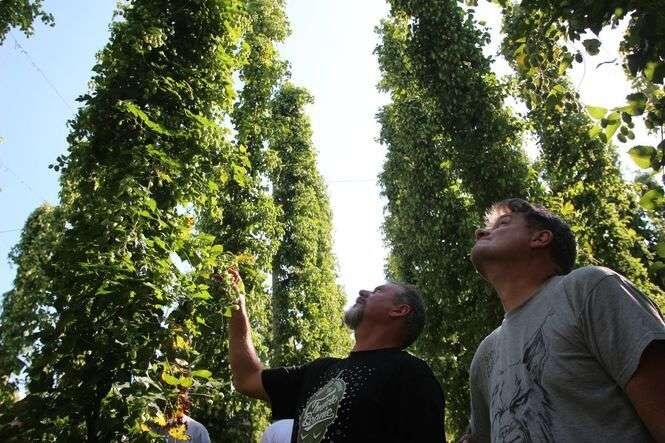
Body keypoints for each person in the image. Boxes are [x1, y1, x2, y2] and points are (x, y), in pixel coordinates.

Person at [465, 198, 665, 442]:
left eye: (503, 223)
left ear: (540, 238)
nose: (480, 232)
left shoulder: (588, 289)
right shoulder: (485, 355)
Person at [227, 269, 445, 442]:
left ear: (399, 310)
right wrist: (237, 305)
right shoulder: (320, 371)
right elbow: (247, 379)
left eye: (378, 291)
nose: (363, 292)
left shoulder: (411, 375)